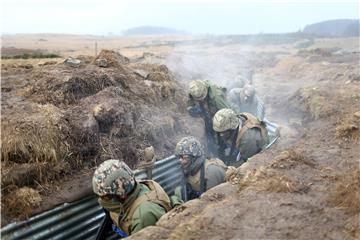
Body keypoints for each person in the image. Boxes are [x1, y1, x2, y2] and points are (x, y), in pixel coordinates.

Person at [92, 159, 172, 237]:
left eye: (105, 197)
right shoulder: (129, 185)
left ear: (122, 196)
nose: (101, 200)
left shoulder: (144, 216)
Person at [187, 79, 234, 156]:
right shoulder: (194, 91)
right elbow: (190, 107)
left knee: (222, 134)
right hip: (208, 114)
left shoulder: (216, 97)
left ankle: (226, 151)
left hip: (220, 114)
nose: (201, 100)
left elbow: (228, 113)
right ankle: (214, 152)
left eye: (202, 98)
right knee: (210, 135)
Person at [174, 136, 227, 200]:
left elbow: (213, 202)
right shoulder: (188, 168)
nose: (180, 160)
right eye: (179, 157)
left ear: (194, 158)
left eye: (184, 157)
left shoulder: (211, 172)